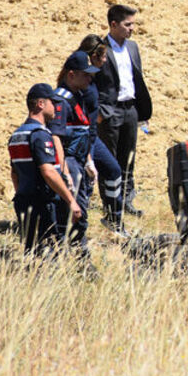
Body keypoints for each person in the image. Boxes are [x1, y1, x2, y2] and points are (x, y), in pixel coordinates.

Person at [8, 83, 82, 256]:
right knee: (48, 255)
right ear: (41, 104)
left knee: (31, 252)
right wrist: (71, 200)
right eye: (52, 102)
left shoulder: (17, 135)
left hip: (23, 202)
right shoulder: (40, 135)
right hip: (42, 203)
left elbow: (14, 173)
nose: (56, 107)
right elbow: (48, 171)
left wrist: (22, 195)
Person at [95, 4, 152, 217]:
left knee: (128, 158)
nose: (132, 29)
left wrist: (141, 113)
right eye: (127, 25)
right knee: (109, 160)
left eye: (133, 24)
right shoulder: (100, 49)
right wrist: (98, 112)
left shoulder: (132, 47)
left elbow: (136, 79)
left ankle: (127, 201)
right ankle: (110, 205)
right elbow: (92, 81)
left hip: (131, 109)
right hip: (110, 112)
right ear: (113, 24)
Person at [50, 51, 100, 255]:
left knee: (82, 206)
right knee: (73, 209)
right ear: (71, 75)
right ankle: (75, 252)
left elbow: (84, 131)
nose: (90, 78)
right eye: (85, 74)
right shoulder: (61, 101)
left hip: (80, 159)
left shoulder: (78, 97)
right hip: (69, 161)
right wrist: (65, 172)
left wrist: (89, 161)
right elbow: (56, 138)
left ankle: (78, 248)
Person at [78, 34, 126, 235]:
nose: (106, 60)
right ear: (93, 57)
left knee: (113, 170)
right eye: (103, 56)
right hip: (78, 137)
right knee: (84, 183)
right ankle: (78, 231)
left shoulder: (92, 76)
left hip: (92, 134)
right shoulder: (78, 78)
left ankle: (114, 219)